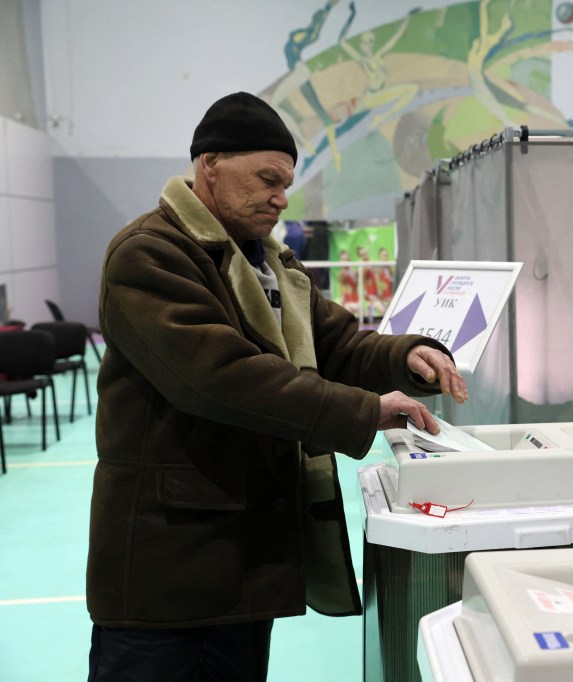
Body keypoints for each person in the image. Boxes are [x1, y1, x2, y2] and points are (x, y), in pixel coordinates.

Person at [86, 91, 467, 681]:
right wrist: (364, 411)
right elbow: (221, 379)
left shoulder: (269, 263)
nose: (280, 198)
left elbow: (338, 345)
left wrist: (405, 355)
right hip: (168, 568)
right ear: (209, 164)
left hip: (244, 557)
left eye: (286, 184)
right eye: (267, 178)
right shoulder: (151, 255)